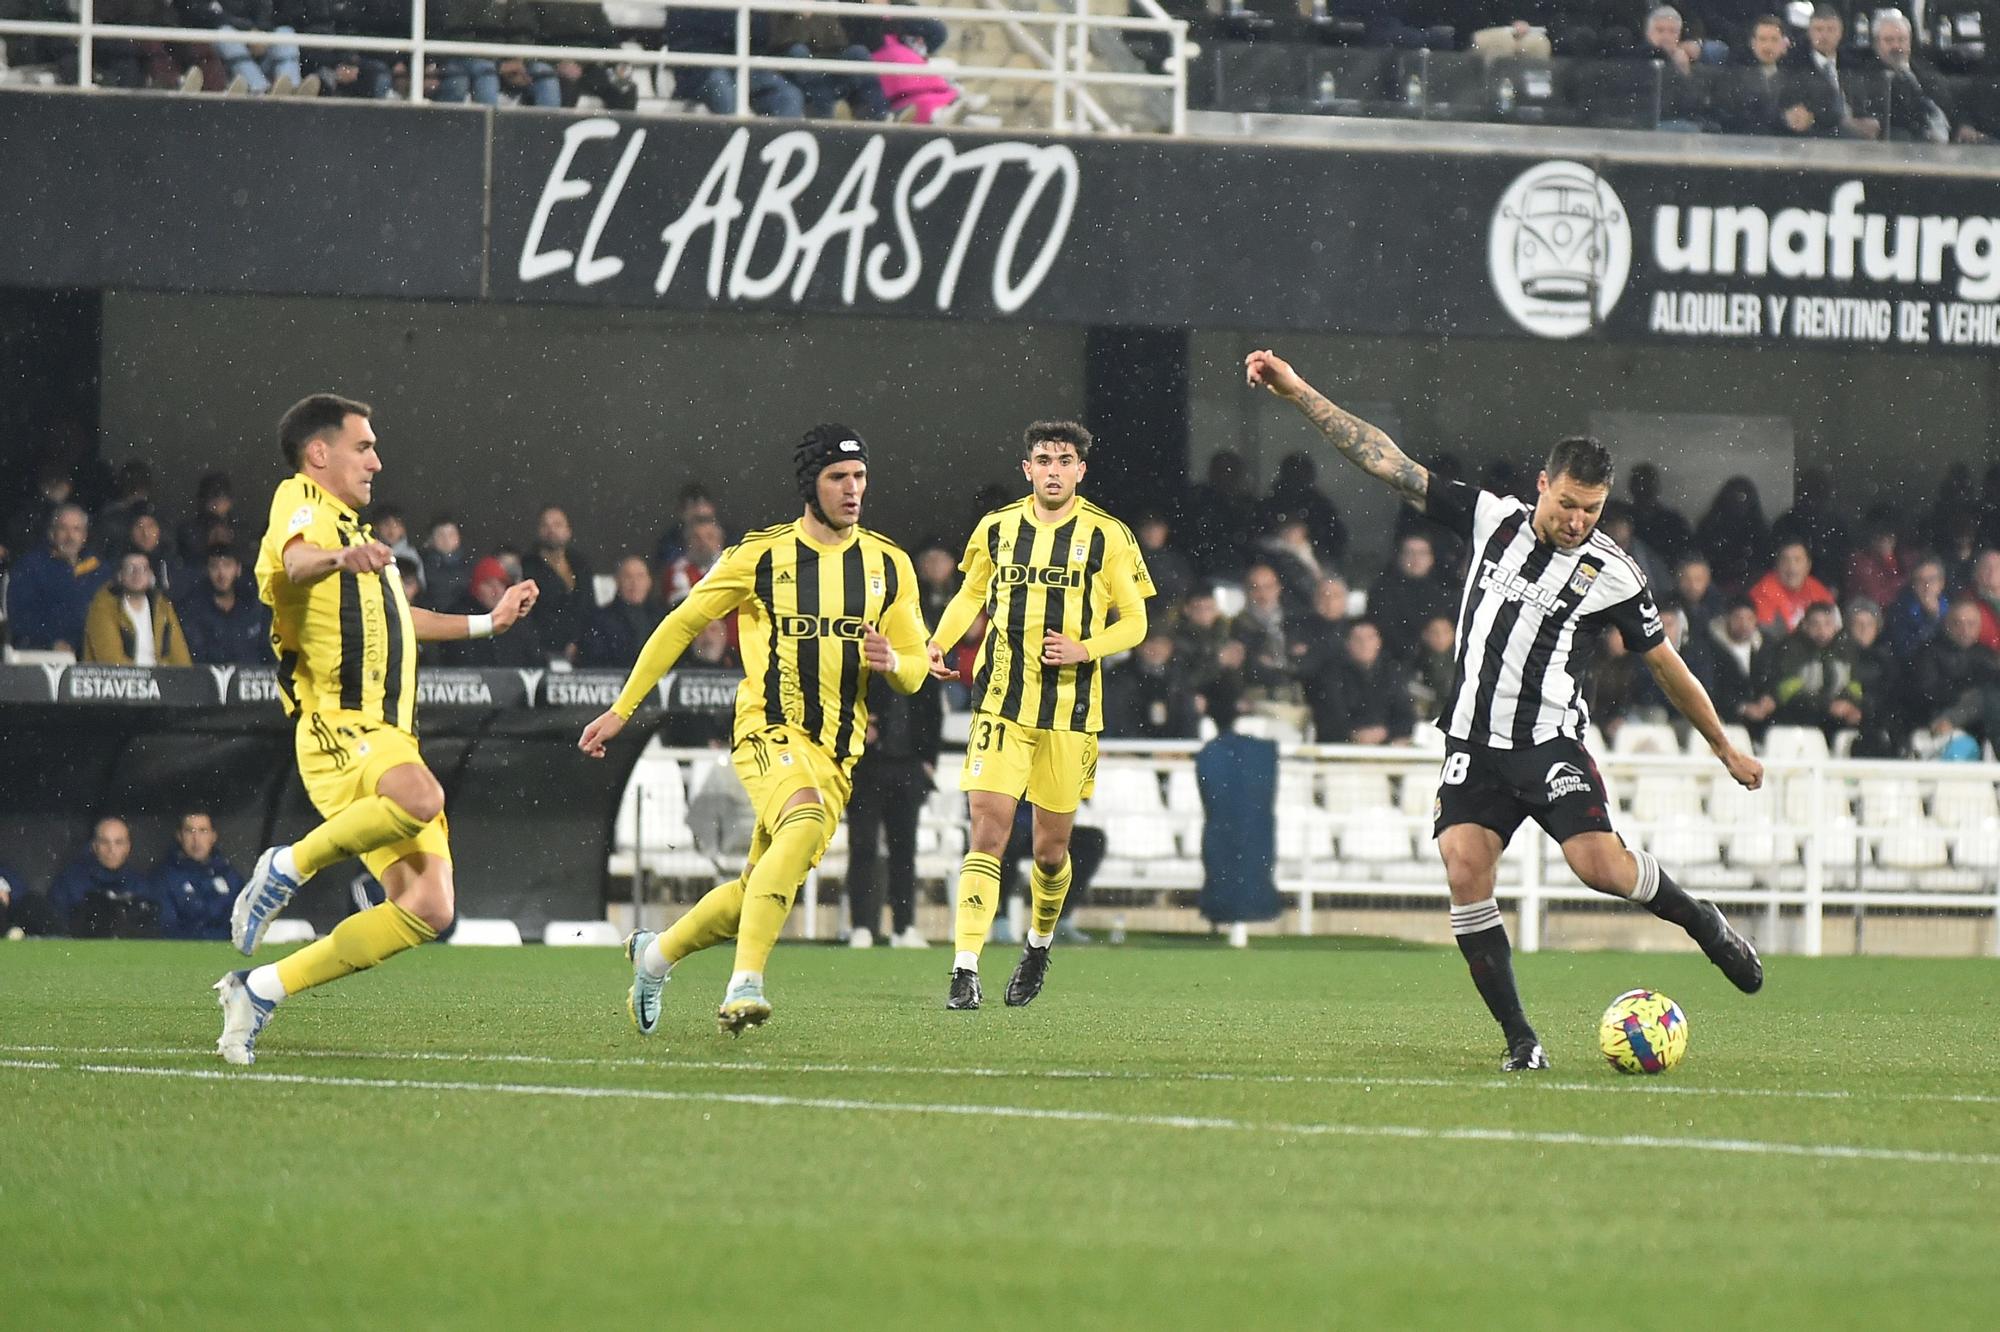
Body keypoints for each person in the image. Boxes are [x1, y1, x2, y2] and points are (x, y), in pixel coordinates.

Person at [1246, 348, 1763, 1072]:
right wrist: (1298, 390)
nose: (1578, 520)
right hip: (1474, 743)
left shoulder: (1614, 572)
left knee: (1601, 870)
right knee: (1464, 870)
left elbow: (1665, 663)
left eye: (1592, 509)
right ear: (1543, 485)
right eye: (1567, 504)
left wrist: (1723, 746)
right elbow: (1386, 461)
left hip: (1548, 743)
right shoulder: (1492, 519)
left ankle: (1704, 924)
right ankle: (1522, 1040)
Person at [214, 394, 540, 1067]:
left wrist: (489, 623)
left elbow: (400, 617)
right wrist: (341, 558)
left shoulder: (359, 538)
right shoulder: (299, 499)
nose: (376, 461)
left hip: (388, 732)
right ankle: (287, 865)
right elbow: (298, 562)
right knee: (422, 797)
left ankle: (262, 988)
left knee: (429, 906)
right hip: (338, 725)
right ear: (319, 452)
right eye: (363, 447)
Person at [580, 424, 931, 1034]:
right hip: (768, 731)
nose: (853, 491)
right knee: (802, 820)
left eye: (860, 478)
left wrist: (895, 663)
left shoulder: (888, 565)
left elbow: (916, 669)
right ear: (809, 484)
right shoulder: (760, 555)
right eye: (838, 478)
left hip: (837, 754)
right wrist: (622, 708)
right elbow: (679, 624)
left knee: (753, 891)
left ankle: (654, 955)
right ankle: (744, 985)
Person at [926, 420, 1155, 1010]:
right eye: (1043, 459)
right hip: (1000, 701)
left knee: (1051, 853)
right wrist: (940, 642)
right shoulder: (997, 528)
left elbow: (1136, 621)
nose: (1053, 469)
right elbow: (971, 595)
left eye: (1065, 459)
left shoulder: (1109, 536)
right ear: (1027, 468)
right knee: (988, 831)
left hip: (1070, 713)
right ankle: (964, 967)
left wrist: (1087, 648)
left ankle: (1037, 945)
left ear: (1081, 470)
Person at [844, 669, 943, 948]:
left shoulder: (921, 664)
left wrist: (928, 759)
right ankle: (862, 926)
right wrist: (860, 726)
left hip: (909, 768)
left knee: (904, 850)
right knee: (863, 847)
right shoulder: (865, 661)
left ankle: (904, 927)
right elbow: (846, 699)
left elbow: (934, 713)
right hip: (867, 767)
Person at [5, 503, 108, 652]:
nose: (70, 536)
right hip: (44, 653)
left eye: (76, 529)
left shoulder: (99, 569)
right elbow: (20, 617)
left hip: (91, 654)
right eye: (63, 528)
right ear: (52, 533)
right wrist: (51, 643)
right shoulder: (30, 567)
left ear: (85, 536)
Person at [50, 817, 158, 938]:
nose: (111, 850)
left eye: (119, 842)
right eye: (104, 842)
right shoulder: (69, 882)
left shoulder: (141, 885)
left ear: (128, 847)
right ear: (94, 846)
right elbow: (57, 931)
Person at [83, 550, 192, 666]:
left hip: (158, 678)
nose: (137, 574)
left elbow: (180, 654)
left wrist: (180, 678)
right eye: (130, 569)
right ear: (120, 575)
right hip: (118, 681)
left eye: (143, 569)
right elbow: (111, 660)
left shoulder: (163, 606)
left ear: (151, 575)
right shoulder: (102, 607)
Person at [152, 810, 245, 942]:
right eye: (190, 831)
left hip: (224, 955)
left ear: (213, 836)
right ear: (179, 836)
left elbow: (241, 925)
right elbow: (167, 927)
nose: (196, 839)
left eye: (203, 831)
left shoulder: (230, 876)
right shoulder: (164, 877)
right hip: (182, 955)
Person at [520, 505, 594, 663]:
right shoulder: (527, 566)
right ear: (538, 531)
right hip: (542, 654)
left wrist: (579, 642)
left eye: (557, 524)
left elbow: (588, 608)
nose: (551, 530)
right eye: (545, 525)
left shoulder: (580, 564)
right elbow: (529, 615)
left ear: (568, 530)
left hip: (582, 654)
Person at [580, 554, 663, 669]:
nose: (634, 583)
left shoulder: (662, 617)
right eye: (628, 577)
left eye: (640, 576)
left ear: (649, 581)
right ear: (617, 581)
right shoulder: (599, 620)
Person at [1747, 539, 1835, 636]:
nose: (1792, 567)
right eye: (1785, 561)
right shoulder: (1762, 593)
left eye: (1798, 560)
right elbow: (1769, 637)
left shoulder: (1817, 589)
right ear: (1776, 565)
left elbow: (1833, 628)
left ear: (1808, 565)